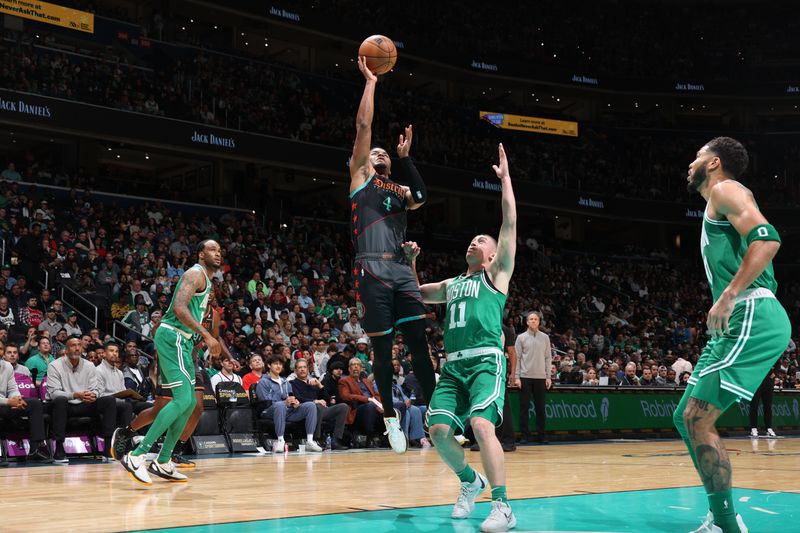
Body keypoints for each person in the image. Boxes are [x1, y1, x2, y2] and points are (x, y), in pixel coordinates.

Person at [674, 137, 791, 533]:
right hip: (739, 318)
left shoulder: (725, 189)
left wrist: (729, 294)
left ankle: (726, 523)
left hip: (752, 312)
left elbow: (768, 238)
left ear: (714, 162)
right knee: (685, 417)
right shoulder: (718, 201)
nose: (690, 162)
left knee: (697, 418)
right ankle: (720, 516)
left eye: (697, 155)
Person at [409, 144, 517, 532]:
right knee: (437, 430)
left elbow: (508, 224)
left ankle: (503, 505)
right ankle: (470, 482)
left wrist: (505, 181)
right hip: (453, 366)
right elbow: (417, 293)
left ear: (492, 256)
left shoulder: (496, 274)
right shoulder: (453, 283)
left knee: (482, 426)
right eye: (471, 239)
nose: (474, 242)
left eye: (480, 242)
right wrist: (409, 263)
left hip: (486, 360)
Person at [348, 55, 437, 453]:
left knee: (420, 345)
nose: (379, 153)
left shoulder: (399, 191)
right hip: (371, 271)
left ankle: (437, 412)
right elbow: (364, 126)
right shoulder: (360, 179)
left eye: (384, 154)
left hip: (401, 270)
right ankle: (389, 419)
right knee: (383, 354)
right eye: (376, 152)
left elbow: (420, 197)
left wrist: (405, 158)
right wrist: (371, 82)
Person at [119, 240, 222, 485]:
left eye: (219, 250)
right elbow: (178, 308)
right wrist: (206, 335)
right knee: (182, 400)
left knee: (187, 404)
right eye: (212, 249)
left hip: (183, 342)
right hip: (172, 337)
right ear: (200, 253)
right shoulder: (195, 273)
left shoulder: (206, 280)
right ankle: (137, 455)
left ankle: (164, 460)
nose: (217, 253)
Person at [46, 337, 117, 463]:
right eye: (73, 345)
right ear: (66, 350)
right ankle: (59, 448)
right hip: (66, 404)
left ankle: (107, 447)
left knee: (109, 401)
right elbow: (54, 393)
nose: (77, 348)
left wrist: (93, 394)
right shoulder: (54, 366)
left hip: (85, 403)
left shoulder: (89, 365)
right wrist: (75, 395)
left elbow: (96, 388)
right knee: (60, 401)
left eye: (79, 345)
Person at [256, 354, 322, 453]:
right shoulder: (263, 382)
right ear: (269, 366)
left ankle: (310, 440)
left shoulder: (285, 382)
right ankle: (280, 441)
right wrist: (284, 402)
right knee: (280, 405)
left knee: (310, 405)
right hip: (268, 411)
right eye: (275, 364)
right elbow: (266, 401)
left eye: (280, 364)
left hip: (286, 411)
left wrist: (295, 402)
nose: (278, 366)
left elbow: (290, 396)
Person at [514, 311, 552, 444]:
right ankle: (524, 436)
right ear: (527, 322)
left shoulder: (545, 337)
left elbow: (548, 358)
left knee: (540, 408)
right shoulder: (521, 338)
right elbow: (517, 358)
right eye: (531, 319)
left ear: (539, 322)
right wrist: (516, 377)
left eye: (536, 319)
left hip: (541, 377)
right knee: (524, 408)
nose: (533, 321)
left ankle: (542, 435)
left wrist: (548, 377)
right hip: (525, 376)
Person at [748, 369, 777, 438]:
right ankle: (753, 428)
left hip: (768, 381)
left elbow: (777, 363)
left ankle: (769, 428)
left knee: (768, 406)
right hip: (756, 380)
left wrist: (774, 374)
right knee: (754, 405)